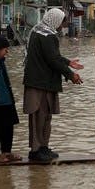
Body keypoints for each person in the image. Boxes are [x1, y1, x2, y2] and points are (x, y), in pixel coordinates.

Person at [23, 8, 83, 162]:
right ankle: (37, 150)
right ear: (55, 20)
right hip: (41, 83)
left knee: (43, 117)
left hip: (39, 82)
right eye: (61, 22)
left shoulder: (38, 31)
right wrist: (71, 75)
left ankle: (42, 148)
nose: (62, 26)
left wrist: (68, 62)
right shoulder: (48, 36)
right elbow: (53, 60)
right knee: (40, 117)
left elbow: (52, 56)